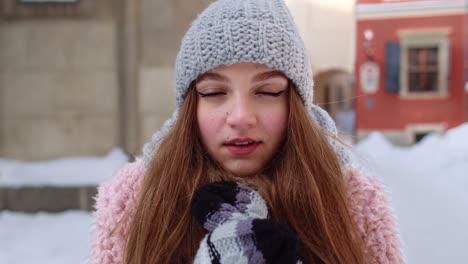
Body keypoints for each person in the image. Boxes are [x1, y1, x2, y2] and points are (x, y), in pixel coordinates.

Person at [90, 0, 403, 263]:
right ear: (190, 108)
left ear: (295, 105)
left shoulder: (352, 199)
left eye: (267, 92)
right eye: (213, 92)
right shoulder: (135, 198)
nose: (240, 117)